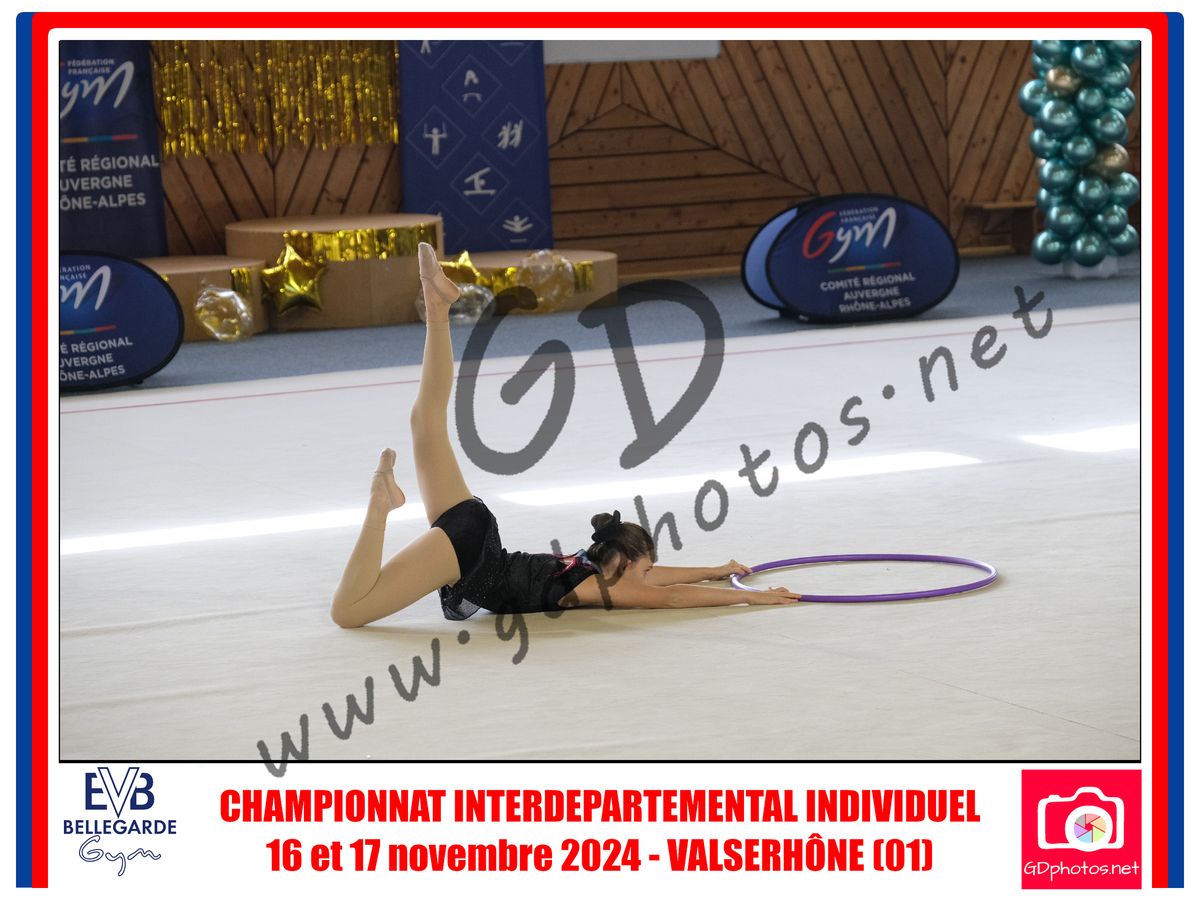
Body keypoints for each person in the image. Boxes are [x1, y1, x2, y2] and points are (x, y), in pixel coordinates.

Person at [329, 243, 802, 628]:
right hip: (469, 553)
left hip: (475, 528)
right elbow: (672, 596)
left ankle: (438, 308)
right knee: (348, 612)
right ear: (624, 565)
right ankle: (379, 508)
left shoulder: (592, 565)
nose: (648, 576)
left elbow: (662, 579)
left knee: (425, 418)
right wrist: (751, 597)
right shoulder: (603, 586)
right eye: (644, 568)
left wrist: (718, 570)